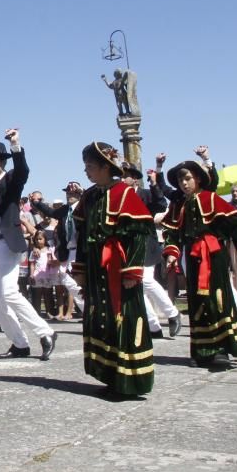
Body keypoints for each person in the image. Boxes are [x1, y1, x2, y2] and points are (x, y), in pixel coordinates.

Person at [70, 142, 155, 397]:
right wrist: (82, 270)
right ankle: (108, 375)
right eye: (85, 167)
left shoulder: (125, 193)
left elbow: (139, 235)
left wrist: (132, 271)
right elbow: (83, 235)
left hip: (119, 267)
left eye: (91, 167)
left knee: (123, 317)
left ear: (106, 167)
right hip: (97, 268)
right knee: (100, 317)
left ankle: (130, 380)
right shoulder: (90, 196)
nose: (87, 171)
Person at [162, 160, 237, 368]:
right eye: (180, 180)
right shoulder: (179, 204)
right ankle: (201, 350)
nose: (184, 183)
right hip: (192, 257)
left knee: (217, 298)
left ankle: (221, 349)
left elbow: (234, 224)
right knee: (197, 300)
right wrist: (171, 253)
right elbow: (172, 233)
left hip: (213, 255)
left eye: (187, 178)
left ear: (197, 178)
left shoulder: (211, 199)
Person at [0, 136, 57, 360]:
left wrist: (15, 145)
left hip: (7, 242)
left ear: (3, 161)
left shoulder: (11, 180)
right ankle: (19, 343)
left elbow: (23, 170)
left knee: (9, 292)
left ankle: (46, 332)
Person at [120, 162, 179, 339]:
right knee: (135, 285)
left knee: (145, 279)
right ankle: (153, 327)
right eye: (120, 176)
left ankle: (172, 313)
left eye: (126, 175)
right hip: (128, 245)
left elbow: (161, 205)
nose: (122, 179)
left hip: (146, 243)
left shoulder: (145, 194)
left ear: (135, 179)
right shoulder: (118, 196)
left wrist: (154, 184)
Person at [31, 182, 86, 322]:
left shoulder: (84, 206)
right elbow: (51, 212)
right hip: (68, 251)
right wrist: (37, 203)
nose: (69, 195)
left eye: (73, 193)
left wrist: (83, 192)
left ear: (79, 194)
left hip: (81, 250)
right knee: (68, 281)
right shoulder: (65, 210)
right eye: (67, 192)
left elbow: (92, 201)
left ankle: (89, 311)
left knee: (78, 282)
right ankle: (87, 311)